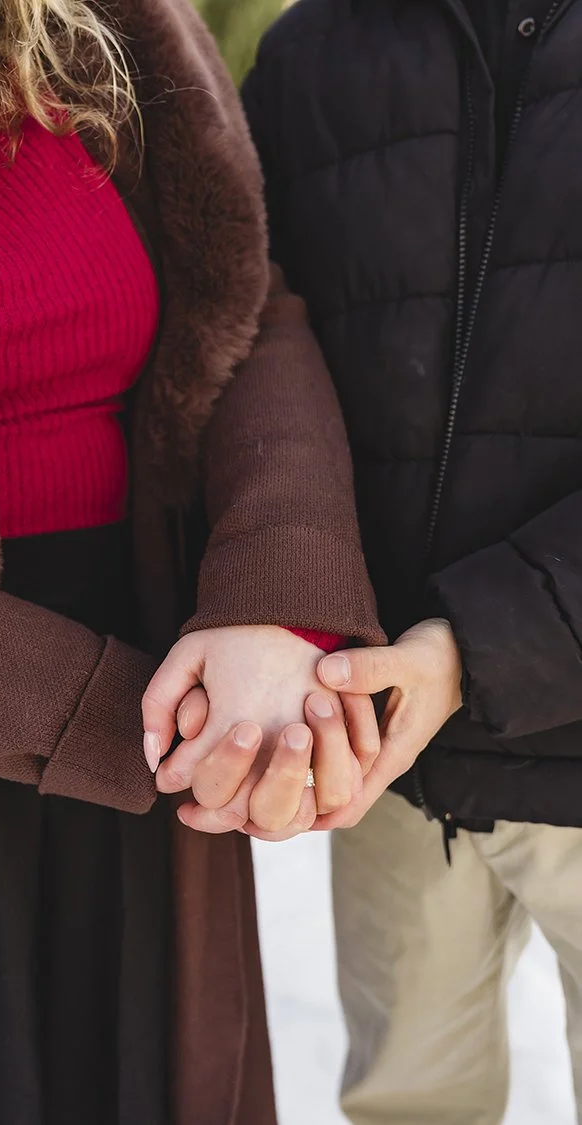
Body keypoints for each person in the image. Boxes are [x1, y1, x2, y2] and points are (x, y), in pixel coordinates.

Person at [0, 0, 386, 1122]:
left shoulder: (104, 22)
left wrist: (275, 603)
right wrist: (121, 722)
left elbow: (242, 314)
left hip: (152, 721)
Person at [242, 1, 582, 1121]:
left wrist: (473, 648)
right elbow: (246, 347)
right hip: (390, 761)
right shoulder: (310, 52)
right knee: (407, 1103)